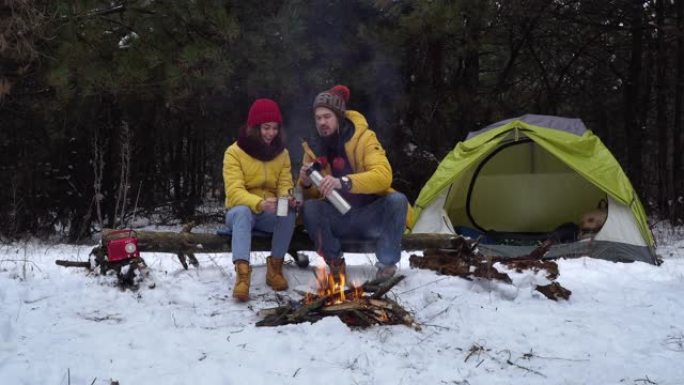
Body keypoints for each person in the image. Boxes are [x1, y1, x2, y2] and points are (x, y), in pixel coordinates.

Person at [298, 85, 412, 282]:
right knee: (310, 208)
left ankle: (386, 265)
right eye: (318, 118)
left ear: (339, 117)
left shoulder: (364, 138)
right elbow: (307, 200)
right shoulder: (313, 149)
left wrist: (344, 182)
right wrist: (306, 184)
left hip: (369, 215)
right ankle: (334, 262)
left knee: (397, 201)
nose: (322, 122)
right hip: (339, 217)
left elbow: (383, 176)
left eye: (327, 117)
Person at [223, 98, 296, 302]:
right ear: (254, 127)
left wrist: (287, 198)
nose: (271, 133)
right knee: (243, 212)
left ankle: (275, 269)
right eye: (266, 128)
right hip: (239, 212)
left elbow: (284, 185)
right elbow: (234, 191)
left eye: (274, 128)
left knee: (288, 211)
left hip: (268, 213)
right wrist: (260, 203)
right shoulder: (234, 152)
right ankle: (243, 276)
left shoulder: (283, 154)